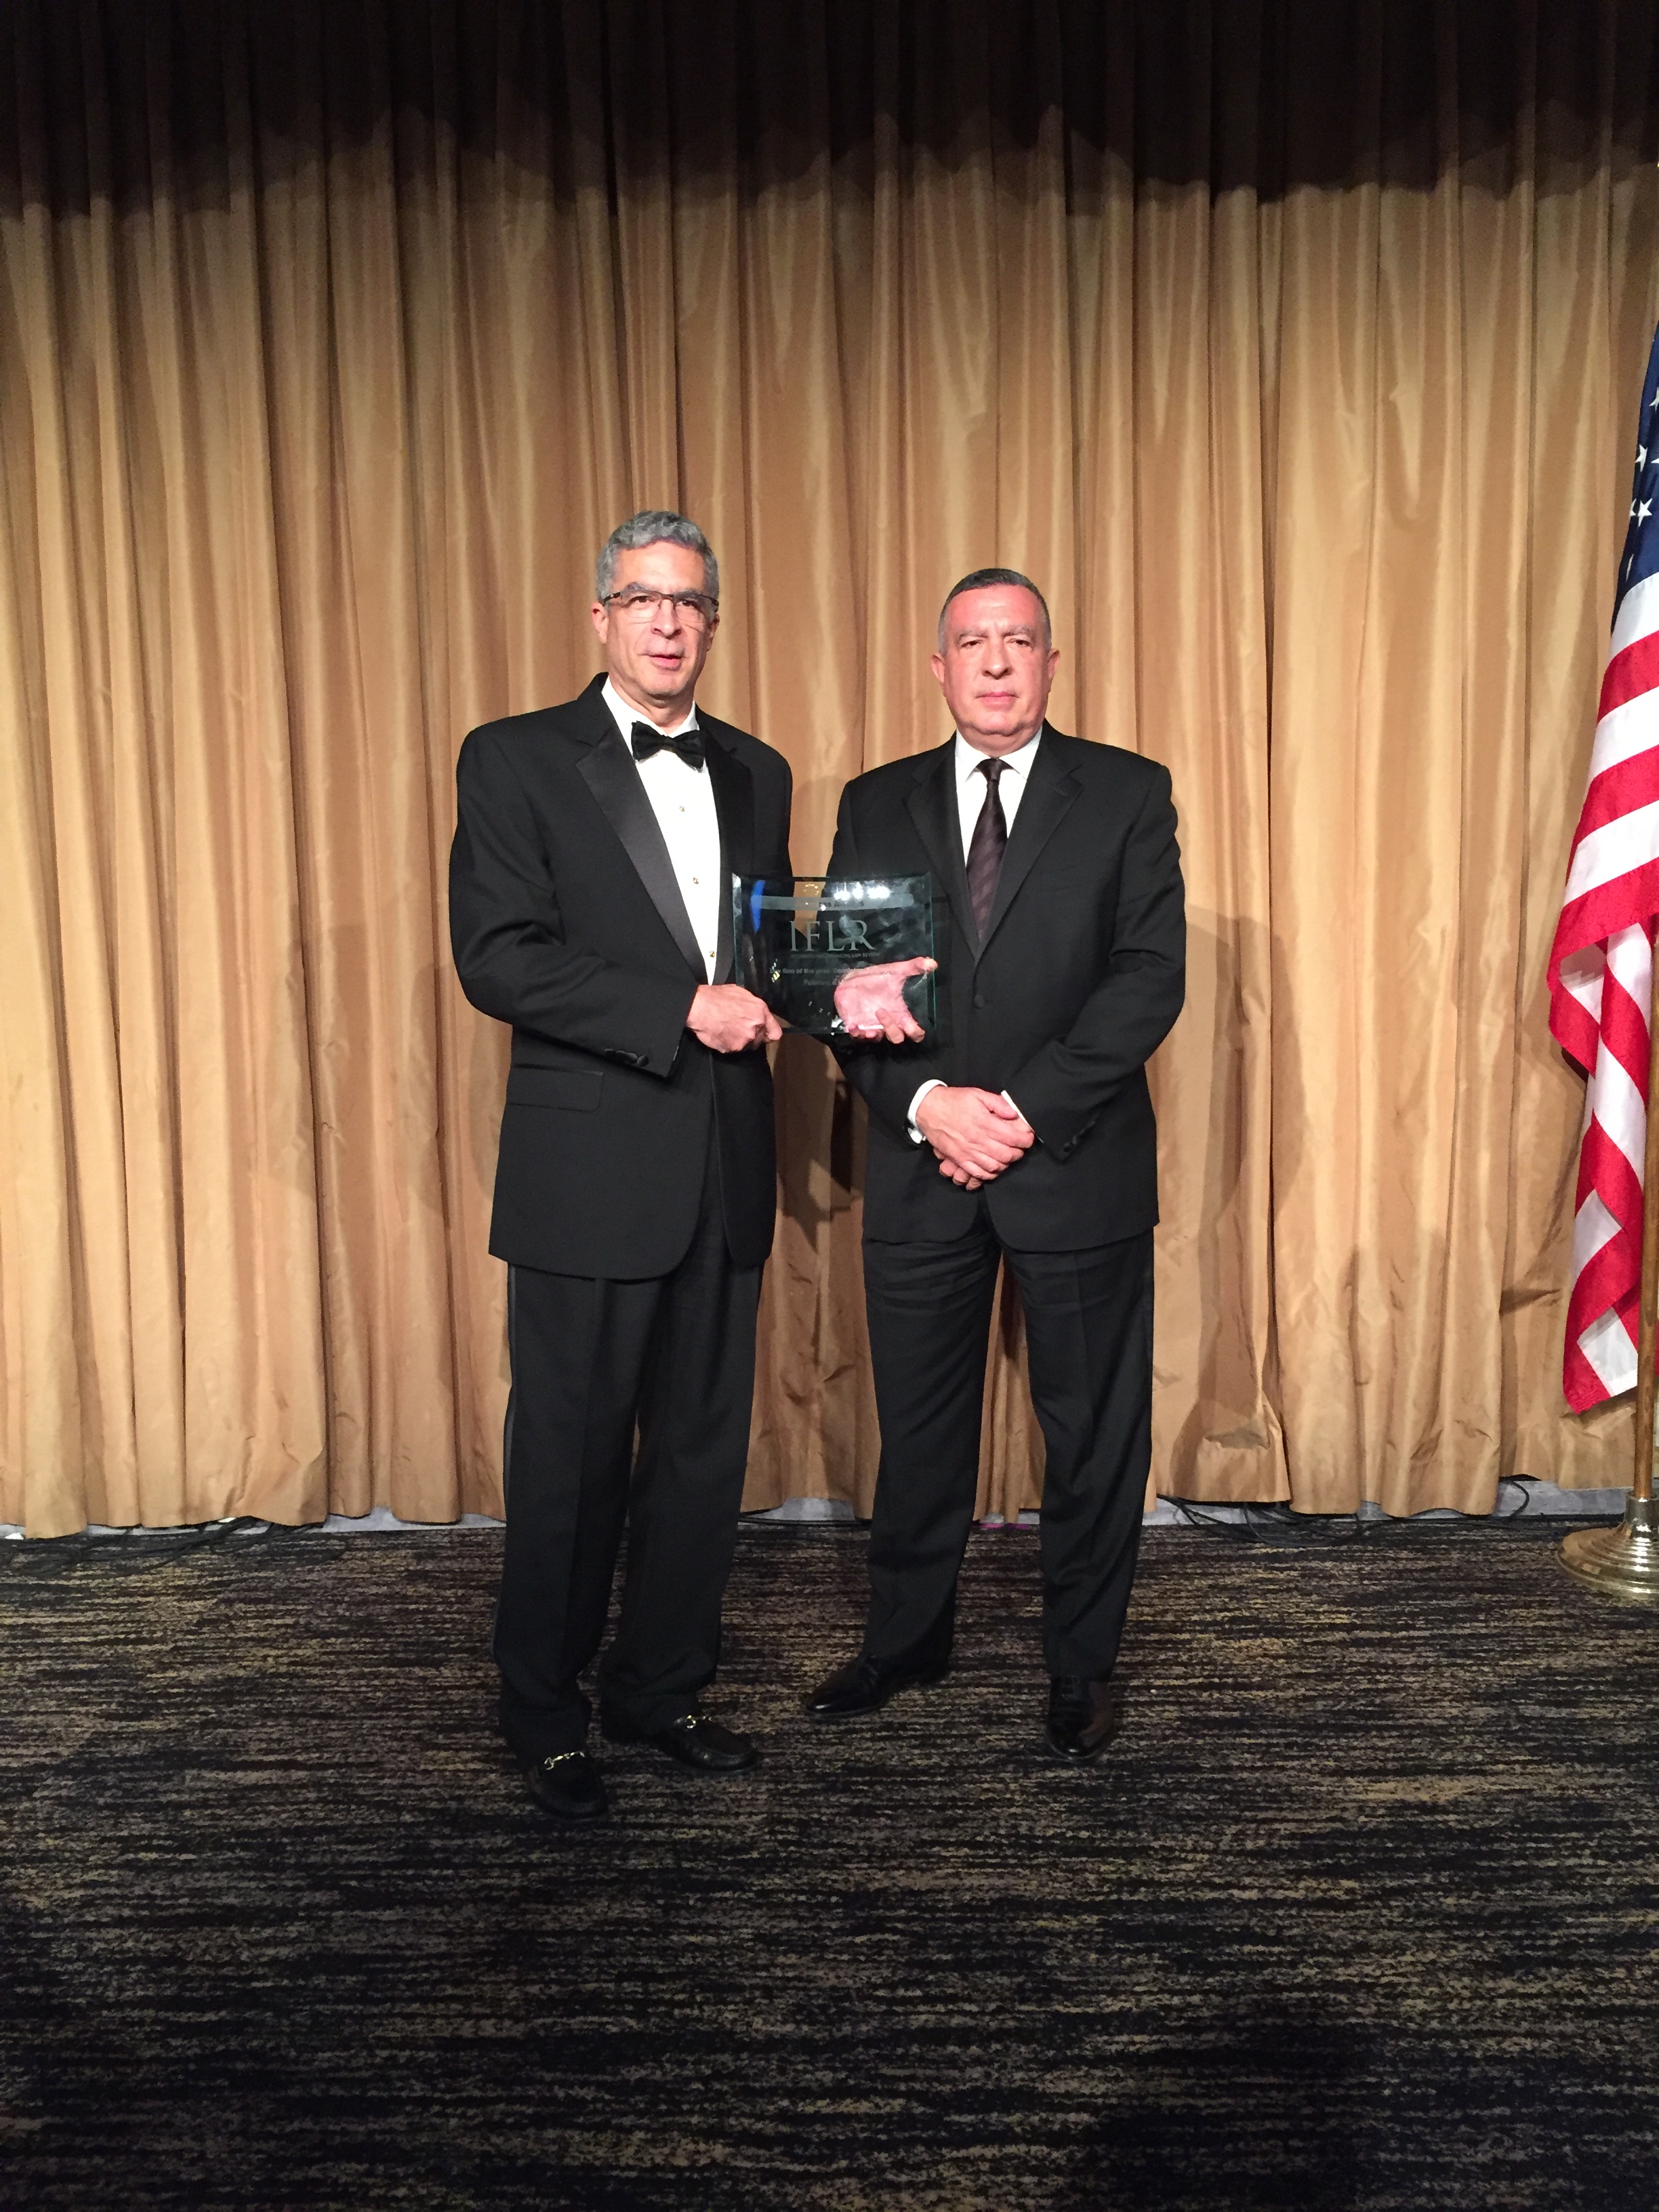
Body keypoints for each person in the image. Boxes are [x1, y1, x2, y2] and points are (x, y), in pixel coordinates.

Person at [804, 567, 1185, 1761]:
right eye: (973, 642)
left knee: (1091, 1431)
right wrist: (929, 1105)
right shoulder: (875, 802)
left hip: (1073, 1158)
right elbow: (843, 989)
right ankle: (906, 1641)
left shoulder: (1126, 792)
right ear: (939, 667)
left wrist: (1016, 1110)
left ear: (1052, 662)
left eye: (1019, 640)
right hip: (922, 1164)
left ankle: (1081, 1665)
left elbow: (1147, 979)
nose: (998, 662)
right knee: (919, 1430)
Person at [449, 512, 792, 1824]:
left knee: (701, 1461)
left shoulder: (757, 770)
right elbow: (499, 957)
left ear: (712, 624)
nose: (667, 621)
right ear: (600, 617)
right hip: (588, 1173)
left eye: (688, 602)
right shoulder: (515, 758)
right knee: (571, 1459)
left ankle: (662, 1692)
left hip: (725, 1169)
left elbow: (764, 959)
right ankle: (543, 1714)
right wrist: (677, 1011)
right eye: (643, 598)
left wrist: (845, 990)